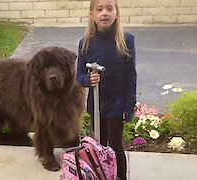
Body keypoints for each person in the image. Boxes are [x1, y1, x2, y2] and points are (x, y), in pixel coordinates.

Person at [76, 0, 137, 179]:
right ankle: (103, 175)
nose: (104, 13)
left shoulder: (126, 40)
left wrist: (129, 106)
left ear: (116, 13)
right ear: (92, 14)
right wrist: (88, 79)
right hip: (96, 103)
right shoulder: (86, 43)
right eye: (99, 9)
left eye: (109, 9)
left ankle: (120, 177)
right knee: (99, 146)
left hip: (116, 103)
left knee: (115, 145)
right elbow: (79, 75)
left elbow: (131, 76)